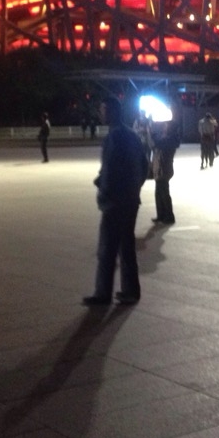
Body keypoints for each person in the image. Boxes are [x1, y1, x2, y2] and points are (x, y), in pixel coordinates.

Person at [83, 96, 149, 306]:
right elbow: (144, 165)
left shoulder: (113, 137)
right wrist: (134, 188)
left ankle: (103, 294)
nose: (100, 113)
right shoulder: (132, 135)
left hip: (115, 202)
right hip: (130, 200)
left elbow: (111, 170)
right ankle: (131, 291)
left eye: (103, 109)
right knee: (126, 247)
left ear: (111, 111)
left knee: (107, 249)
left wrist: (104, 192)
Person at [150, 120, 180, 225]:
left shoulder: (170, 139)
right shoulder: (167, 138)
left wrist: (152, 133)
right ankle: (161, 215)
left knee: (164, 193)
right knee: (159, 193)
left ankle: (169, 216)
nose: (164, 127)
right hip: (161, 168)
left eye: (166, 126)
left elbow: (158, 143)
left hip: (164, 169)